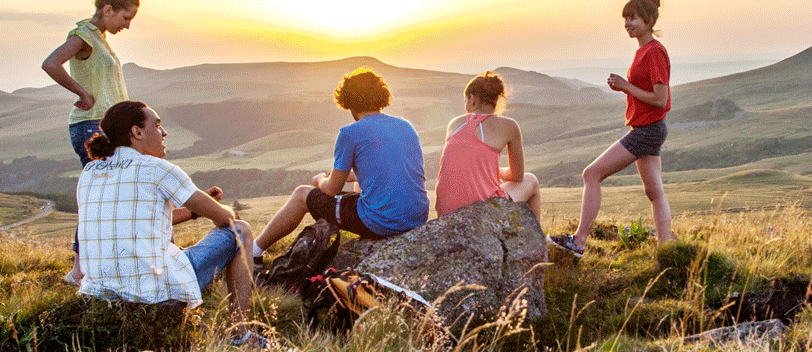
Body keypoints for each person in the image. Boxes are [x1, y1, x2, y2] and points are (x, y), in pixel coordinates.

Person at [73, 101, 264, 346]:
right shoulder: (158, 168)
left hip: (99, 294)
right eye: (158, 125)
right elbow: (225, 218)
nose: (164, 133)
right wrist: (219, 208)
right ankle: (240, 334)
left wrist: (193, 212)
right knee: (241, 230)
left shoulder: (89, 173)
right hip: (153, 293)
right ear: (137, 132)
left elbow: (138, 223)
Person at [255, 68, 428, 251]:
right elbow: (396, 170)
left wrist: (320, 179)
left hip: (382, 224)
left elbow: (331, 189)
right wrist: (354, 176)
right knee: (357, 187)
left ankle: (254, 251)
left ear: (348, 102)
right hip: (416, 218)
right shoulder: (405, 125)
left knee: (301, 195)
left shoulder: (350, 133)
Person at [552, 0, 673, 254]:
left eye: (633, 18)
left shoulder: (654, 52)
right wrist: (622, 86)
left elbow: (660, 98)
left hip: (646, 130)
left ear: (649, 21)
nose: (627, 24)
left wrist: (625, 86)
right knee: (655, 192)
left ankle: (579, 241)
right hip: (650, 128)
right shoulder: (643, 51)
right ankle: (666, 248)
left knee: (591, 174)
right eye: (625, 19)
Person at [41, 0, 138, 281]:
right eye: (125, 17)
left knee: (107, 196)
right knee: (98, 197)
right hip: (92, 126)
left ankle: (86, 267)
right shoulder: (83, 36)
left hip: (105, 125)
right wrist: (82, 94)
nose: (127, 25)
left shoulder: (100, 39)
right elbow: (51, 63)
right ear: (108, 9)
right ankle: (79, 270)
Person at [435, 71, 541, 217]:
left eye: (465, 101)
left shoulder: (454, 124)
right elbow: (518, 176)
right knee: (531, 180)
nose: (466, 106)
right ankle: (535, 239)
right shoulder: (509, 125)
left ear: (472, 99)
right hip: (482, 216)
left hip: (446, 214)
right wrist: (500, 170)